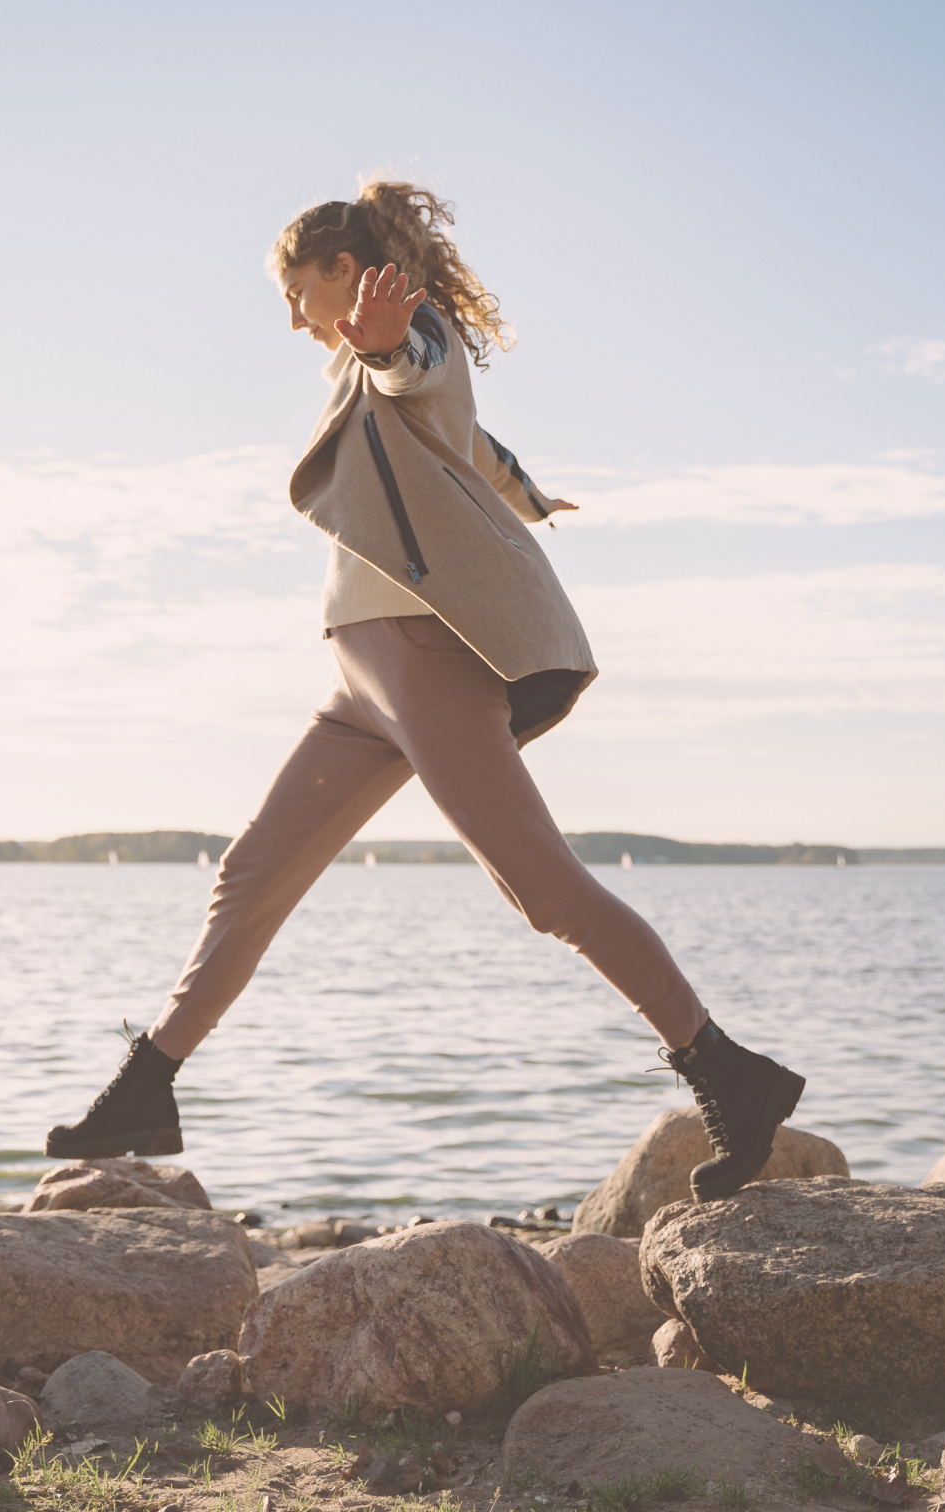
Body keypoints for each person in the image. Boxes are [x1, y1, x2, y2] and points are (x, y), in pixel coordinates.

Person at [44, 181, 805, 1205]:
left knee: (544, 890)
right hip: (361, 677)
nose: (290, 313)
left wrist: (385, 345)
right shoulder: (350, 375)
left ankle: (726, 1072)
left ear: (346, 275)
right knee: (250, 877)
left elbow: (420, 373)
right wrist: (526, 490)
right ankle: (148, 1088)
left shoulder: (405, 339)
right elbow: (469, 446)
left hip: (426, 656)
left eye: (296, 289)